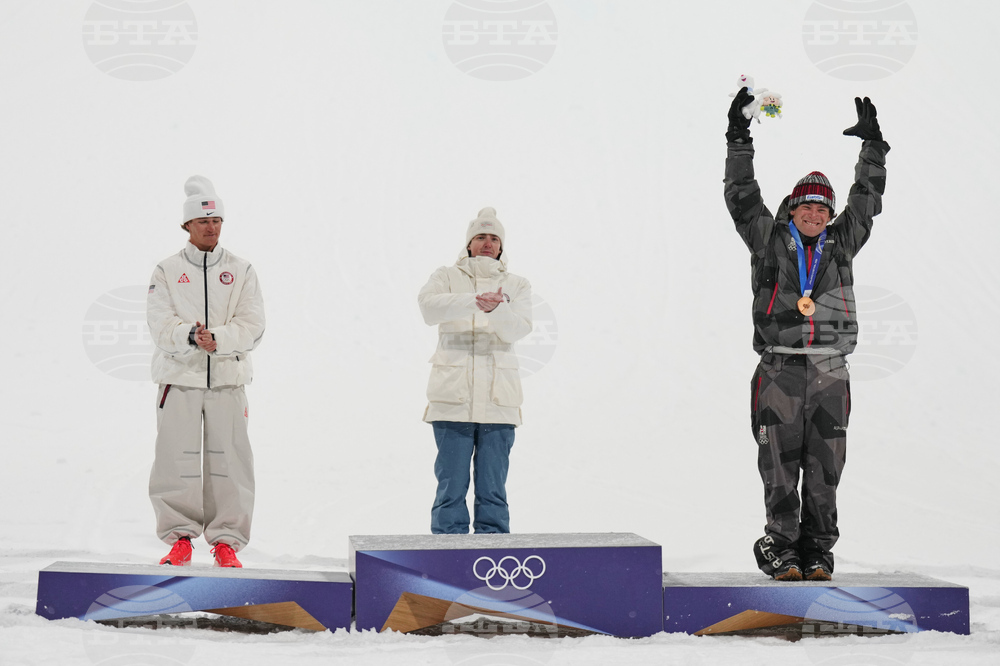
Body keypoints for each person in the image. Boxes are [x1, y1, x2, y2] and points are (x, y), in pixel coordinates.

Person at [724, 89, 889, 581]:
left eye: (823, 208)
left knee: (825, 468)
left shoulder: (841, 243)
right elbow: (741, 194)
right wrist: (739, 136)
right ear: (792, 209)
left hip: (831, 371)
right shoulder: (767, 239)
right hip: (780, 368)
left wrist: (873, 147)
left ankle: (818, 550)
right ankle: (782, 547)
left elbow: (867, 201)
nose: (815, 215)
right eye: (806, 207)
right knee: (778, 464)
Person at [146, 175, 265, 568]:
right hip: (179, 378)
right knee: (175, 460)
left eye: (216, 221)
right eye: (203, 221)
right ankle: (180, 539)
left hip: (228, 380)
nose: (211, 227)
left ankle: (226, 541)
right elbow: (159, 325)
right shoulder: (166, 270)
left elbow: (253, 324)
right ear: (187, 226)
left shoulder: (241, 269)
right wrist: (191, 337)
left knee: (230, 462)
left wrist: (221, 338)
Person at [418, 207, 533, 534]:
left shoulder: (518, 284)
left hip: (499, 402)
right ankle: (446, 555)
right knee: (450, 487)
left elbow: (516, 330)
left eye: (494, 238)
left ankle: (492, 558)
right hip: (452, 399)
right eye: (480, 237)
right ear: (468, 244)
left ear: (501, 246)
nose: (487, 243)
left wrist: (496, 308)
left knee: (493, 490)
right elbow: (428, 307)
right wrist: (475, 300)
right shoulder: (445, 276)